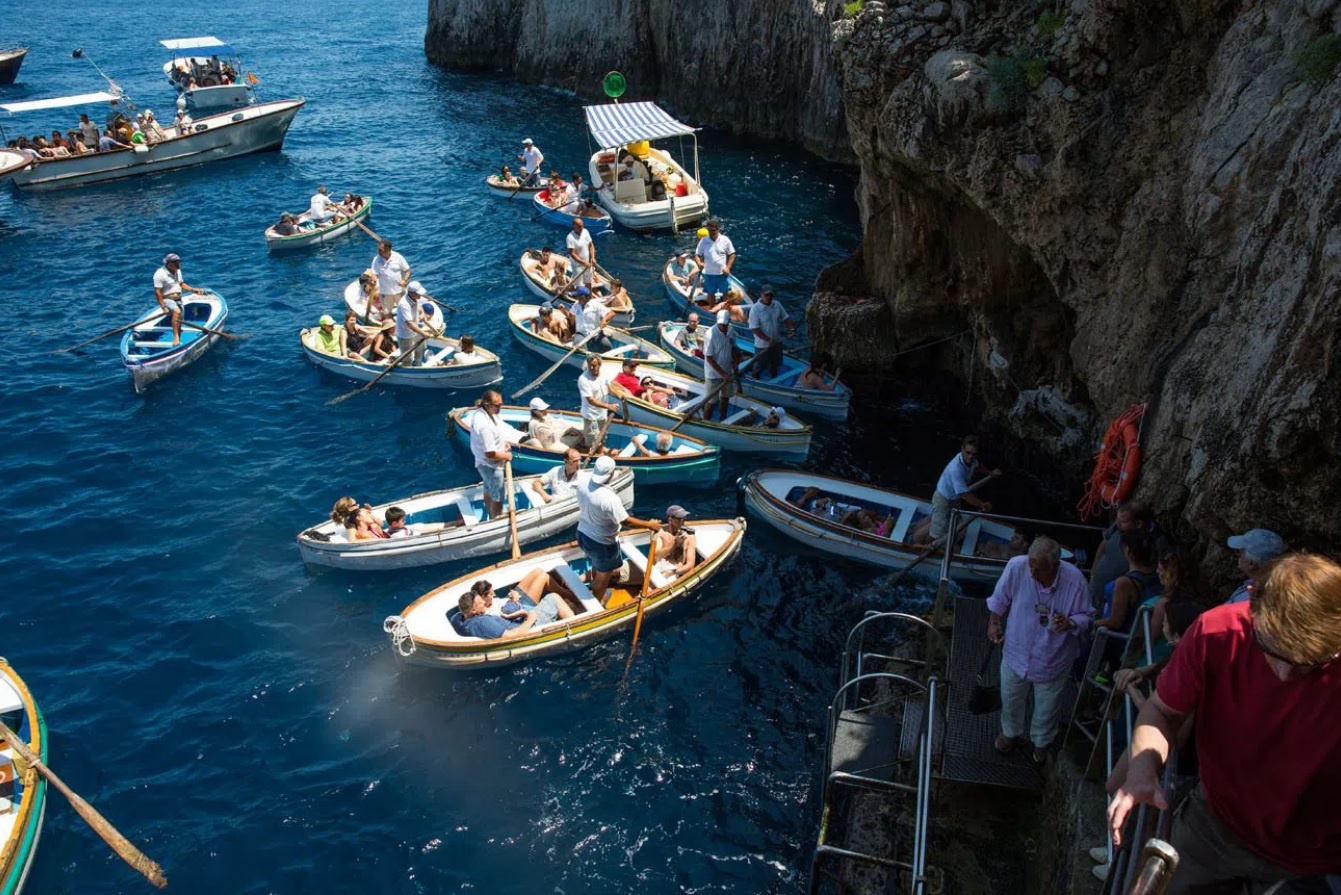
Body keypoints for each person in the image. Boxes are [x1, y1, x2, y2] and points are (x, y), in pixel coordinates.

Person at [1107, 553, 1341, 892]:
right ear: (1253, 603)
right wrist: (1142, 770)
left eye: (1308, 663)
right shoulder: (1217, 632)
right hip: (1213, 825)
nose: (1285, 673)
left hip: (1312, 857)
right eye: (1271, 648)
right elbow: (1162, 711)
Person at [987, 537, 1094, 764]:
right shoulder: (1017, 567)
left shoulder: (1076, 582)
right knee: (1010, 697)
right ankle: (1010, 733)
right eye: (1031, 567)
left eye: (1039, 569)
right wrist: (994, 622)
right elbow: (1000, 598)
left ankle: (1041, 743)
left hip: (1053, 657)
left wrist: (1070, 623)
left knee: (1047, 708)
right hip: (1017, 650)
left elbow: (1086, 616)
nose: (1033, 574)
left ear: (1055, 566)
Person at [575, 455, 661, 605]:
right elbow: (626, 521)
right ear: (611, 474)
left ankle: (594, 587)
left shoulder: (582, 484)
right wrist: (649, 525)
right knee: (602, 578)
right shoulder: (610, 499)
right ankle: (597, 604)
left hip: (582, 535)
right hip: (602, 544)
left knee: (597, 565)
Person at [912, 435, 1003, 546]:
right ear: (962, 448)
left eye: (974, 454)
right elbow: (964, 495)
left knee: (953, 521)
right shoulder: (956, 469)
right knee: (936, 534)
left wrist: (990, 473)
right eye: (968, 453)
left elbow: (977, 466)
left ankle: (935, 521)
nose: (970, 457)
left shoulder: (971, 460)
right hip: (943, 500)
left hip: (953, 498)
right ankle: (926, 546)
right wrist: (981, 504)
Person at [1087, 500, 1167, 611]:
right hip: (1096, 589)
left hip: (1117, 600)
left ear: (1138, 524)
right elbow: (1105, 542)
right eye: (1117, 520)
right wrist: (1094, 569)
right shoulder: (1118, 527)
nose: (1118, 524)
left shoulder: (1156, 542)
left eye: (1123, 522)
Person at [455, 579, 573, 640]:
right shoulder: (482, 622)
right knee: (553, 597)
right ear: (473, 610)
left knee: (567, 604)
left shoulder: (458, 618)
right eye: (481, 603)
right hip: (529, 627)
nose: (484, 604)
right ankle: (574, 625)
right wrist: (530, 619)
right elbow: (512, 635)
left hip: (519, 622)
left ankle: (571, 610)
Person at [469, 390, 512, 520]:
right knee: (498, 497)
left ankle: (490, 513)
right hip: (491, 465)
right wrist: (506, 456)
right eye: (497, 405)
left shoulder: (484, 413)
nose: (500, 408)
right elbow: (490, 454)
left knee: (488, 489)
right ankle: (496, 518)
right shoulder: (484, 426)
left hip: (483, 462)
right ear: (487, 404)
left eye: (501, 404)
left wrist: (503, 443)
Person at [153, 253, 207, 346]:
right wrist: (164, 307)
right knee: (176, 311)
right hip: (167, 299)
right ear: (170, 264)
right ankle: (175, 337)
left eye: (179, 262)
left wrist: (193, 290)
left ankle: (178, 336)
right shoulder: (159, 274)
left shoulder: (177, 271)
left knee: (179, 321)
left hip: (178, 299)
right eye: (177, 262)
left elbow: (181, 284)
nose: (179, 264)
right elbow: (157, 292)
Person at [1224, 527, 1286, 603]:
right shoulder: (1287, 587)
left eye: (1241, 553)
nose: (1238, 556)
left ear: (1251, 564)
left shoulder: (1248, 600)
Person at [748, 284, 796, 379]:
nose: (769, 297)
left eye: (771, 295)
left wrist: (791, 329)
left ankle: (774, 378)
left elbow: (786, 319)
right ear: (761, 294)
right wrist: (768, 340)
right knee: (758, 366)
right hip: (762, 345)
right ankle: (754, 380)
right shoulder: (755, 309)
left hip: (776, 343)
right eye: (766, 295)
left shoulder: (777, 305)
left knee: (775, 364)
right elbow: (755, 329)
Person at [700, 309, 738, 422]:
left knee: (725, 397)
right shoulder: (710, 335)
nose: (723, 326)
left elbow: (732, 346)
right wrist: (723, 374)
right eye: (721, 324)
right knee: (711, 401)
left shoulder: (731, 330)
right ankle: (706, 422)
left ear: (729, 322)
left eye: (725, 324)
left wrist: (736, 359)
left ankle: (723, 419)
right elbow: (709, 358)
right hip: (713, 374)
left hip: (727, 370)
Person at [577, 354, 619, 450]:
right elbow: (591, 400)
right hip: (591, 417)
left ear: (600, 365)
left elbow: (609, 388)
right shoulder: (583, 379)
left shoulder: (604, 375)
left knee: (602, 436)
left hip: (602, 415)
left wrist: (620, 395)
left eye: (594, 365)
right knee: (592, 440)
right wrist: (609, 406)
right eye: (590, 365)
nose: (592, 368)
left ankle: (600, 452)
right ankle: (588, 452)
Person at [395, 282, 438, 366]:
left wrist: (422, 313)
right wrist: (423, 333)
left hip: (415, 329)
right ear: (411, 293)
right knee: (407, 358)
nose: (420, 295)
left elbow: (420, 307)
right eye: (418, 293)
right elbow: (409, 323)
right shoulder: (404, 304)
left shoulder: (416, 298)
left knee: (419, 350)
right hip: (405, 334)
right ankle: (407, 370)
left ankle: (417, 364)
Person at [694, 219, 737, 299]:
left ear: (718, 229)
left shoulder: (725, 240)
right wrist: (699, 263)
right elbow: (697, 255)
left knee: (725, 292)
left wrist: (728, 267)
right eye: (709, 230)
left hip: (722, 274)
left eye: (713, 230)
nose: (711, 232)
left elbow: (732, 254)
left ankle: (725, 306)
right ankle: (711, 306)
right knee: (710, 293)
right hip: (708, 274)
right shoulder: (703, 240)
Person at [653, 505, 698, 576]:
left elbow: (690, 565)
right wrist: (675, 543)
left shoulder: (689, 537)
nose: (682, 521)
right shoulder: (661, 534)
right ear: (670, 519)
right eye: (680, 518)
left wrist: (671, 572)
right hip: (659, 567)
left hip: (675, 572)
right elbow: (656, 557)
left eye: (684, 518)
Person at [571, 287, 614, 353]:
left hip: (595, 333)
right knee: (579, 348)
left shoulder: (595, 305)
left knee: (607, 346)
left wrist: (604, 320)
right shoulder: (576, 305)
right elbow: (571, 315)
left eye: (578, 296)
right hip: (581, 333)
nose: (577, 298)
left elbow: (612, 313)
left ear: (583, 297)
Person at [372, 240, 412, 307]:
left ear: (388, 250)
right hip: (385, 293)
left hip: (399, 291)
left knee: (403, 309)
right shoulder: (376, 259)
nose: (378, 252)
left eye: (380, 250)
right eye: (378, 250)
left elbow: (408, 270)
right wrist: (373, 280)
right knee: (387, 312)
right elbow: (374, 273)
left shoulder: (398, 257)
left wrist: (404, 280)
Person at [566, 218, 596, 288]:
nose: (581, 228)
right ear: (574, 226)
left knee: (588, 282)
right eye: (579, 227)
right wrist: (584, 263)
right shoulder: (570, 237)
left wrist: (593, 257)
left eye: (582, 226)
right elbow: (573, 254)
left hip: (587, 263)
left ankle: (589, 294)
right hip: (577, 266)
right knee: (579, 286)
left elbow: (591, 245)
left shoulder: (585, 232)